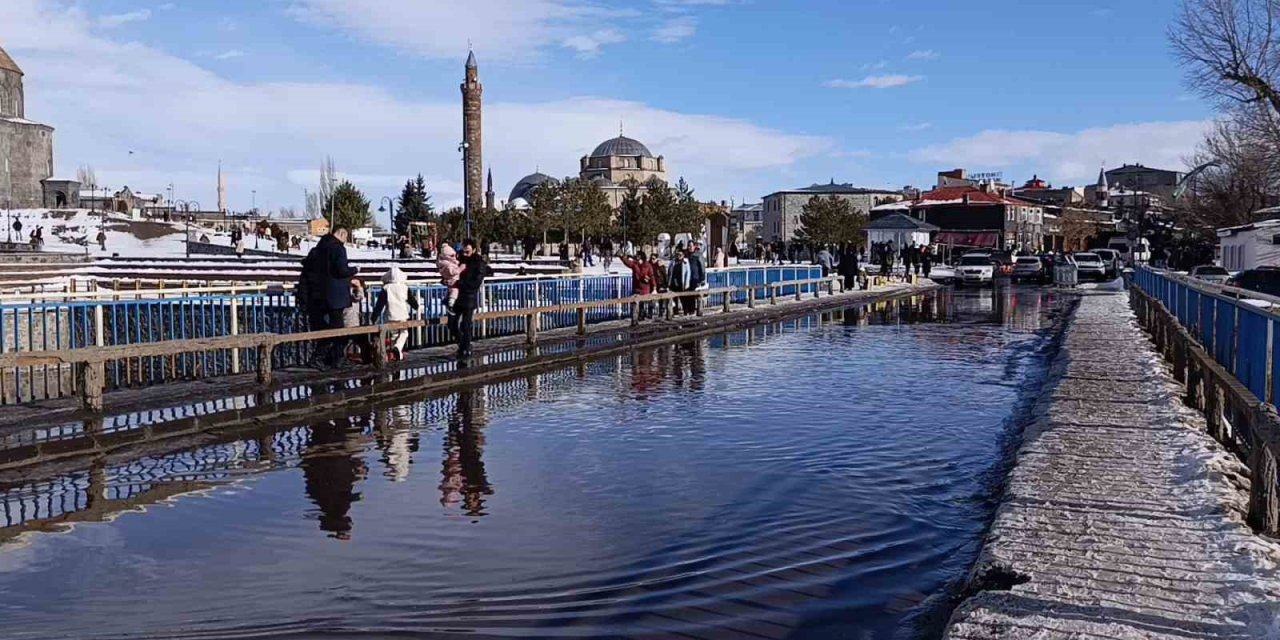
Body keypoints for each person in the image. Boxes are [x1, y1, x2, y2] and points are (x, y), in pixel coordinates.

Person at [300, 227, 359, 368]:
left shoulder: (317, 250)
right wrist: (355, 270)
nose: (346, 239)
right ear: (341, 234)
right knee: (338, 329)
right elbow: (341, 270)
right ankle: (332, 358)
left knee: (325, 329)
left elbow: (307, 273)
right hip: (336, 297)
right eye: (346, 236)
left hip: (317, 296)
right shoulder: (338, 249)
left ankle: (327, 358)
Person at [450, 239, 488, 358]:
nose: (465, 254)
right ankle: (463, 344)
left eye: (468, 251)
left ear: (474, 250)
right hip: (457, 296)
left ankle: (465, 349)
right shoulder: (459, 260)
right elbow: (451, 273)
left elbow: (476, 282)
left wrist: (460, 283)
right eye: (464, 251)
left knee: (465, 325)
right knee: (452, 324)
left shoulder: (478, 263)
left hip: (469, 297)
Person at [371, 266, 420, 360]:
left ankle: (395, 354)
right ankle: (397, 349)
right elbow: (412, 300)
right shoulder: (404, 287)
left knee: (394, 335)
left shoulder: (386, 288)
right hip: (402, 314)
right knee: (404, 333)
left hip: (390, 315)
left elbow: (380, 304)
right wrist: (416, 306)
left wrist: (374, 316)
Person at [620, 251, 655, 320]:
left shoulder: (647, 265)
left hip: (645, 287)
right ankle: (638, 316)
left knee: (643, 302)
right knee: (636, 303)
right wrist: (622, 257)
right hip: (636, 287)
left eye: (638, 256)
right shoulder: (635, 264)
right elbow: (628, 263)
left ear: (641, 257)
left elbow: (652, 276)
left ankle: (644, 314)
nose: (637, 257)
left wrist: (654, 286)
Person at [437, 243, 465, 312]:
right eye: (452, 255)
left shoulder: (445, 262)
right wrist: (460, 268)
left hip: (450, 280)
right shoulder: (447, 265)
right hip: (453, 280)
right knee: (454, 291)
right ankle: (450, 304)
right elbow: (453, 271)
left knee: (451, 291)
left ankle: (447, 299)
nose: (454, 257)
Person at [669, 250, 695, 316]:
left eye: (680, 255)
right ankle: (675, 312)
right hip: (674, 283)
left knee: (684, 299)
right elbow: (670, 272)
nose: (679, 256)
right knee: (674, 299)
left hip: (682, 283)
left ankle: (686, 311)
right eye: (678, 255)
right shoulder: (674, 262)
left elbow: (688, 273)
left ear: (683, 255)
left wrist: (686, 284)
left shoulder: (685, 262)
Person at [649, 252, 669, 319]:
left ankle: (661, 312)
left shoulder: (660, 266)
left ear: (657, 259)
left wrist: (665, 285)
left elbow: (665, 276)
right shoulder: (649, 266)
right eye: (651, 258)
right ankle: (650, 313)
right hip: (652, 285)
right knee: (651, 300)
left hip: (660, 285)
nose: (652, 260)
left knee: (661, 300)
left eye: (654, 259)